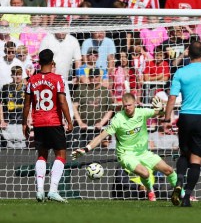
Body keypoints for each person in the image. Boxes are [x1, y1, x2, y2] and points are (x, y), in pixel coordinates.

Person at [72, 93, 177, 202]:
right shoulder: (118, 119)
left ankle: (183, 193)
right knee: (145, 173)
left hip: (143, 153)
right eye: (125, 106)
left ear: (135, 103)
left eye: (129, 105)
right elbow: (100, 137)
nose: (127, 108)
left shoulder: (142, 112)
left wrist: (162, 108)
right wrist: (85, 149)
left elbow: (161, 112)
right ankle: (150, 191)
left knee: (169, 170)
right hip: (126, 155)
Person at [165, 41, 201, 207]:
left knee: (184, 153)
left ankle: (178, 185)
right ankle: (187, 197)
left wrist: (166, 117)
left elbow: (172, 98)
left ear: (188, 53)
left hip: (185, 117)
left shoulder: (181, 72)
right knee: (196, 159)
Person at [22, 49, 73, 203]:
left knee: (42, 155)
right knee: (60, 155)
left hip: (38, 123)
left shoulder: (32, 80)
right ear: (52, 62)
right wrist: (69, 121)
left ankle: (39, 190)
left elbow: (26, 105)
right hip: (54, 121)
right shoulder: (57, 79)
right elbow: (62, 102)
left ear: (39, 62)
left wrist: (24, 123)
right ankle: (52, 190)